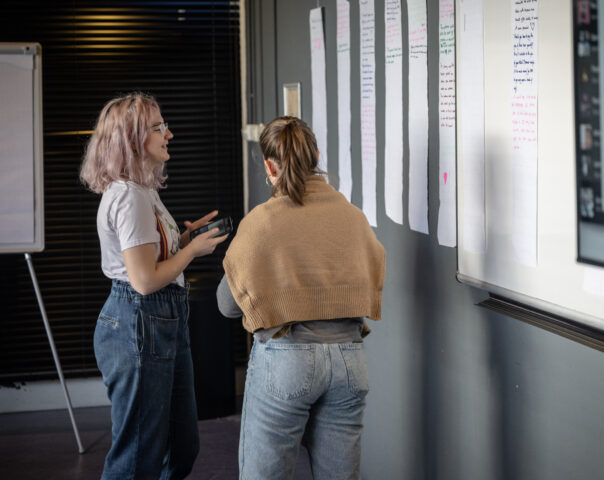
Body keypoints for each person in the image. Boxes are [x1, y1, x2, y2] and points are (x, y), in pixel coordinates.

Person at [217, 116, 386, 480]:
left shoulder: (261, 222)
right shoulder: (354, 217)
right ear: (316, 157)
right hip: (350, 361)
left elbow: (228, 305)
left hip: (286, 360)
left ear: (268, 166)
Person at [80, 92, 229, 479]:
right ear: (132, 139)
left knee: (182, 447)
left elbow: (149, 259)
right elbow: (144, 281)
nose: (170, 134)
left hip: (160, 320)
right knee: (137, 457)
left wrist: (181, 237)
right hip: (140, 320)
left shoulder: (142, 189)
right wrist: (193, 250)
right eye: (159, 127)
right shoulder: (129, 197)